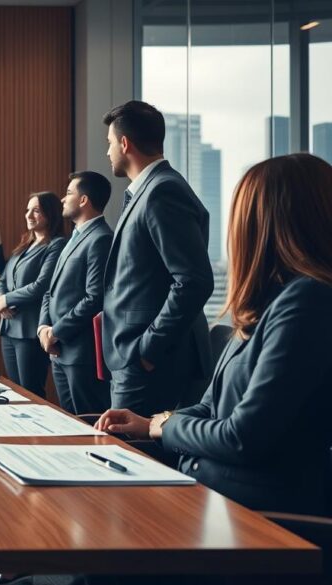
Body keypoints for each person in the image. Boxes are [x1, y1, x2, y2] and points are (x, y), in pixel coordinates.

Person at [96, 153, 332, 516]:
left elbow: (242, 437)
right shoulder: (267, 304)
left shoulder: (307, 302)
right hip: (214, 500)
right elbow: (211, 407)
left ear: (264, 225)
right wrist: (148, 424)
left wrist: (167, 427)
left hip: (258, 521)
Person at [101, 100, 213, 416]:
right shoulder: (148, 190)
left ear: (125, 143)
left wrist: (148, 350)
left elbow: (193, 280)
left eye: (110, 144)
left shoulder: (162, 192)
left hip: (153, 362)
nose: (107, 153)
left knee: (134, 458)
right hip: (138, 358)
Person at [37, 172, 114, 414]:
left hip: (82, 354)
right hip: (60, 351)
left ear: (84, 200)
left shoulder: (101, 238)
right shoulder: (73, 238)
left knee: (89, 426)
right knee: (71, 425)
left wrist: (56, 332)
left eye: (69, 193)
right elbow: (50, 290)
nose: (62, 199)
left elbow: (94, 298)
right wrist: (42, 328)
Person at [0, 192, 66, 398]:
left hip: (30, 331)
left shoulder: (57, 245)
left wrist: (6, 299)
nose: (29, 215)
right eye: (27, 210)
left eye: (36, 211)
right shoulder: (26, 243)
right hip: (9, 329)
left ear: (51, 214)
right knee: (15, 393)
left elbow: (42, 286)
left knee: (31, 393)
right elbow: (2, 276)